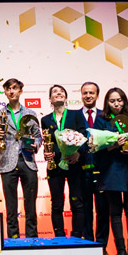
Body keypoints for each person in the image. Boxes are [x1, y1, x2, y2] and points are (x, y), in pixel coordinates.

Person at [95, 87, 128, 255]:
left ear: (124, 101)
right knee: (115, 212)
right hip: (111, 171)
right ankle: (121, 252)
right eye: (112, 101)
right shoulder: (101, 122)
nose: (116, 104)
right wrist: (113, 144)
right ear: (107, 103)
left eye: (119, 100)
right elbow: (96, 148)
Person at [0, 78, 42, 238]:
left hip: (28, 162)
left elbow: (39, 137)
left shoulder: (30, 113)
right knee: (11, 207)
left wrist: (36, 145)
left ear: (20, 91)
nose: (12, 91)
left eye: (15, 88)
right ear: (5, 92)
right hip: (8, 163)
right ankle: (13, 241)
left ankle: (32, 240)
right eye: (8, 89)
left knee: (31, 206)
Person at [40, 84, 89, 239]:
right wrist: (47, 154)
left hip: (75, 164)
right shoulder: (45, 119)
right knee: (57, 204)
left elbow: (84, 136)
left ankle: (76, 236)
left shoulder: (76, 115)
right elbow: (48, 142)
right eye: (55, 92)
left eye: (61, 92)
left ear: (66, 97)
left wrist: (78, 154)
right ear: (50, 99)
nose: (58, 93)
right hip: (55, 166)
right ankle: (60, 237)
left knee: (77, 203)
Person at [79, 82, 110, 252]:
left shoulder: (105, 116)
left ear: (98, 95)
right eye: (85, 93)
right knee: (85, 210)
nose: (88, 95)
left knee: (103, 210)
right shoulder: (74, 116)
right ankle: (89, 247)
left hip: (103, 170)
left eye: (92, 93)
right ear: (81, 95)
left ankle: (102, 247)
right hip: (82, 170)